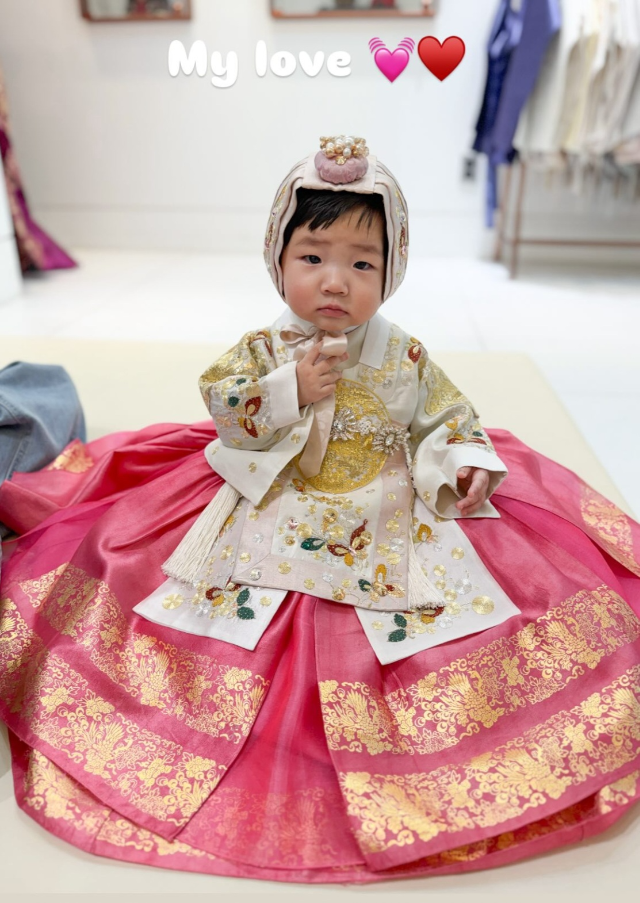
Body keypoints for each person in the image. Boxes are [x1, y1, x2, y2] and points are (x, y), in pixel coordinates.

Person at [0, 135, 639, 884]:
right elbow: (227, 406)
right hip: (273, 493)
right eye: (312, 256)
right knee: (184, 590)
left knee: (463, 606)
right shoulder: (265, 347)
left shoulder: (403, 355)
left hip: (386, 498)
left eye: (362, 264)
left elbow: (446, 417)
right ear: (278, 258)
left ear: (392, 271)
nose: (335, 281)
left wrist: (464, 459)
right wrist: (288, 389)